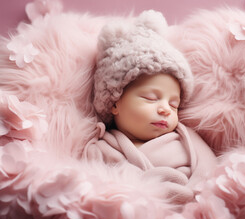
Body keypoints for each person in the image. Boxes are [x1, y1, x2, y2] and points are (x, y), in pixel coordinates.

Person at [90, 10, 217, 204]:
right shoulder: (100, 149)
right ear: (114, 101)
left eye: (174, 104)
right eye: (150, 98)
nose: (165, 109)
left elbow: (212, 174)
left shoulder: (187, 140)